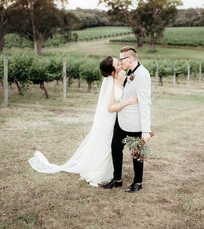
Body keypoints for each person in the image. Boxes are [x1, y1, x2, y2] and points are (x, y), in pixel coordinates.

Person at [28, 55, 138, 187]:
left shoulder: (122, 74)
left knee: (113, 146)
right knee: (105, 144)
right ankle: (99, 171)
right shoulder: (109, 84)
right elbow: (110, 108)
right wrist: (128, 102)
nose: (121, 64)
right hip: (109, 119)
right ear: (112, 71)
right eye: (117, 64)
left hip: (120, 119)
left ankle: (114, 171)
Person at [101, 46, 152, 193]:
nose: (120, 62)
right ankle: (117, 180)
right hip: (121, 120)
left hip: (135, 123)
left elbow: (145, 103)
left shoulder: (142, 75)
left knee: (137, 153)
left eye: (121, 59)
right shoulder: (129, 73)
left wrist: (146, 130)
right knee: (115, 148)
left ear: (129, 59)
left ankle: (138, 182)